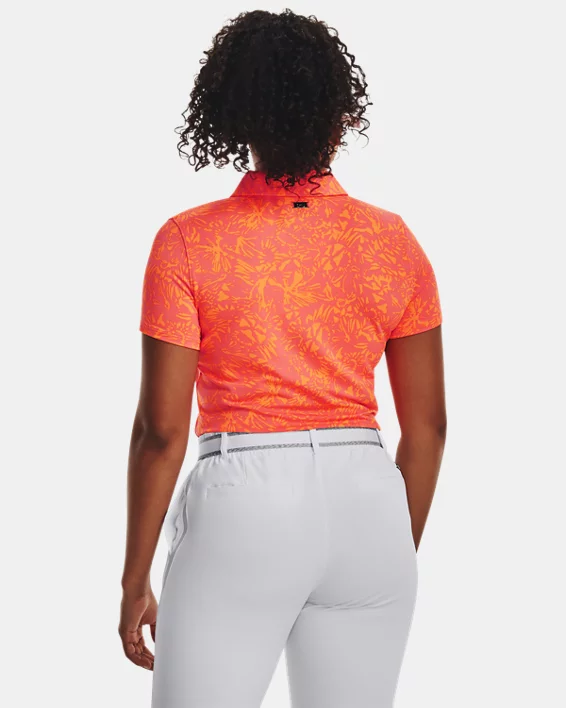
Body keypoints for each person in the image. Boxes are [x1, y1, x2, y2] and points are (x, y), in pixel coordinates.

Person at [119, 8, 447, 708]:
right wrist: (385, 546)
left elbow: (161, 432)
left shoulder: (188, 241)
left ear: (234, 112)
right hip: (369, 498)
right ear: (338, 109)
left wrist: (133, 579)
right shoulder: (394, 241)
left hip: (245, 495)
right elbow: (428, 429)